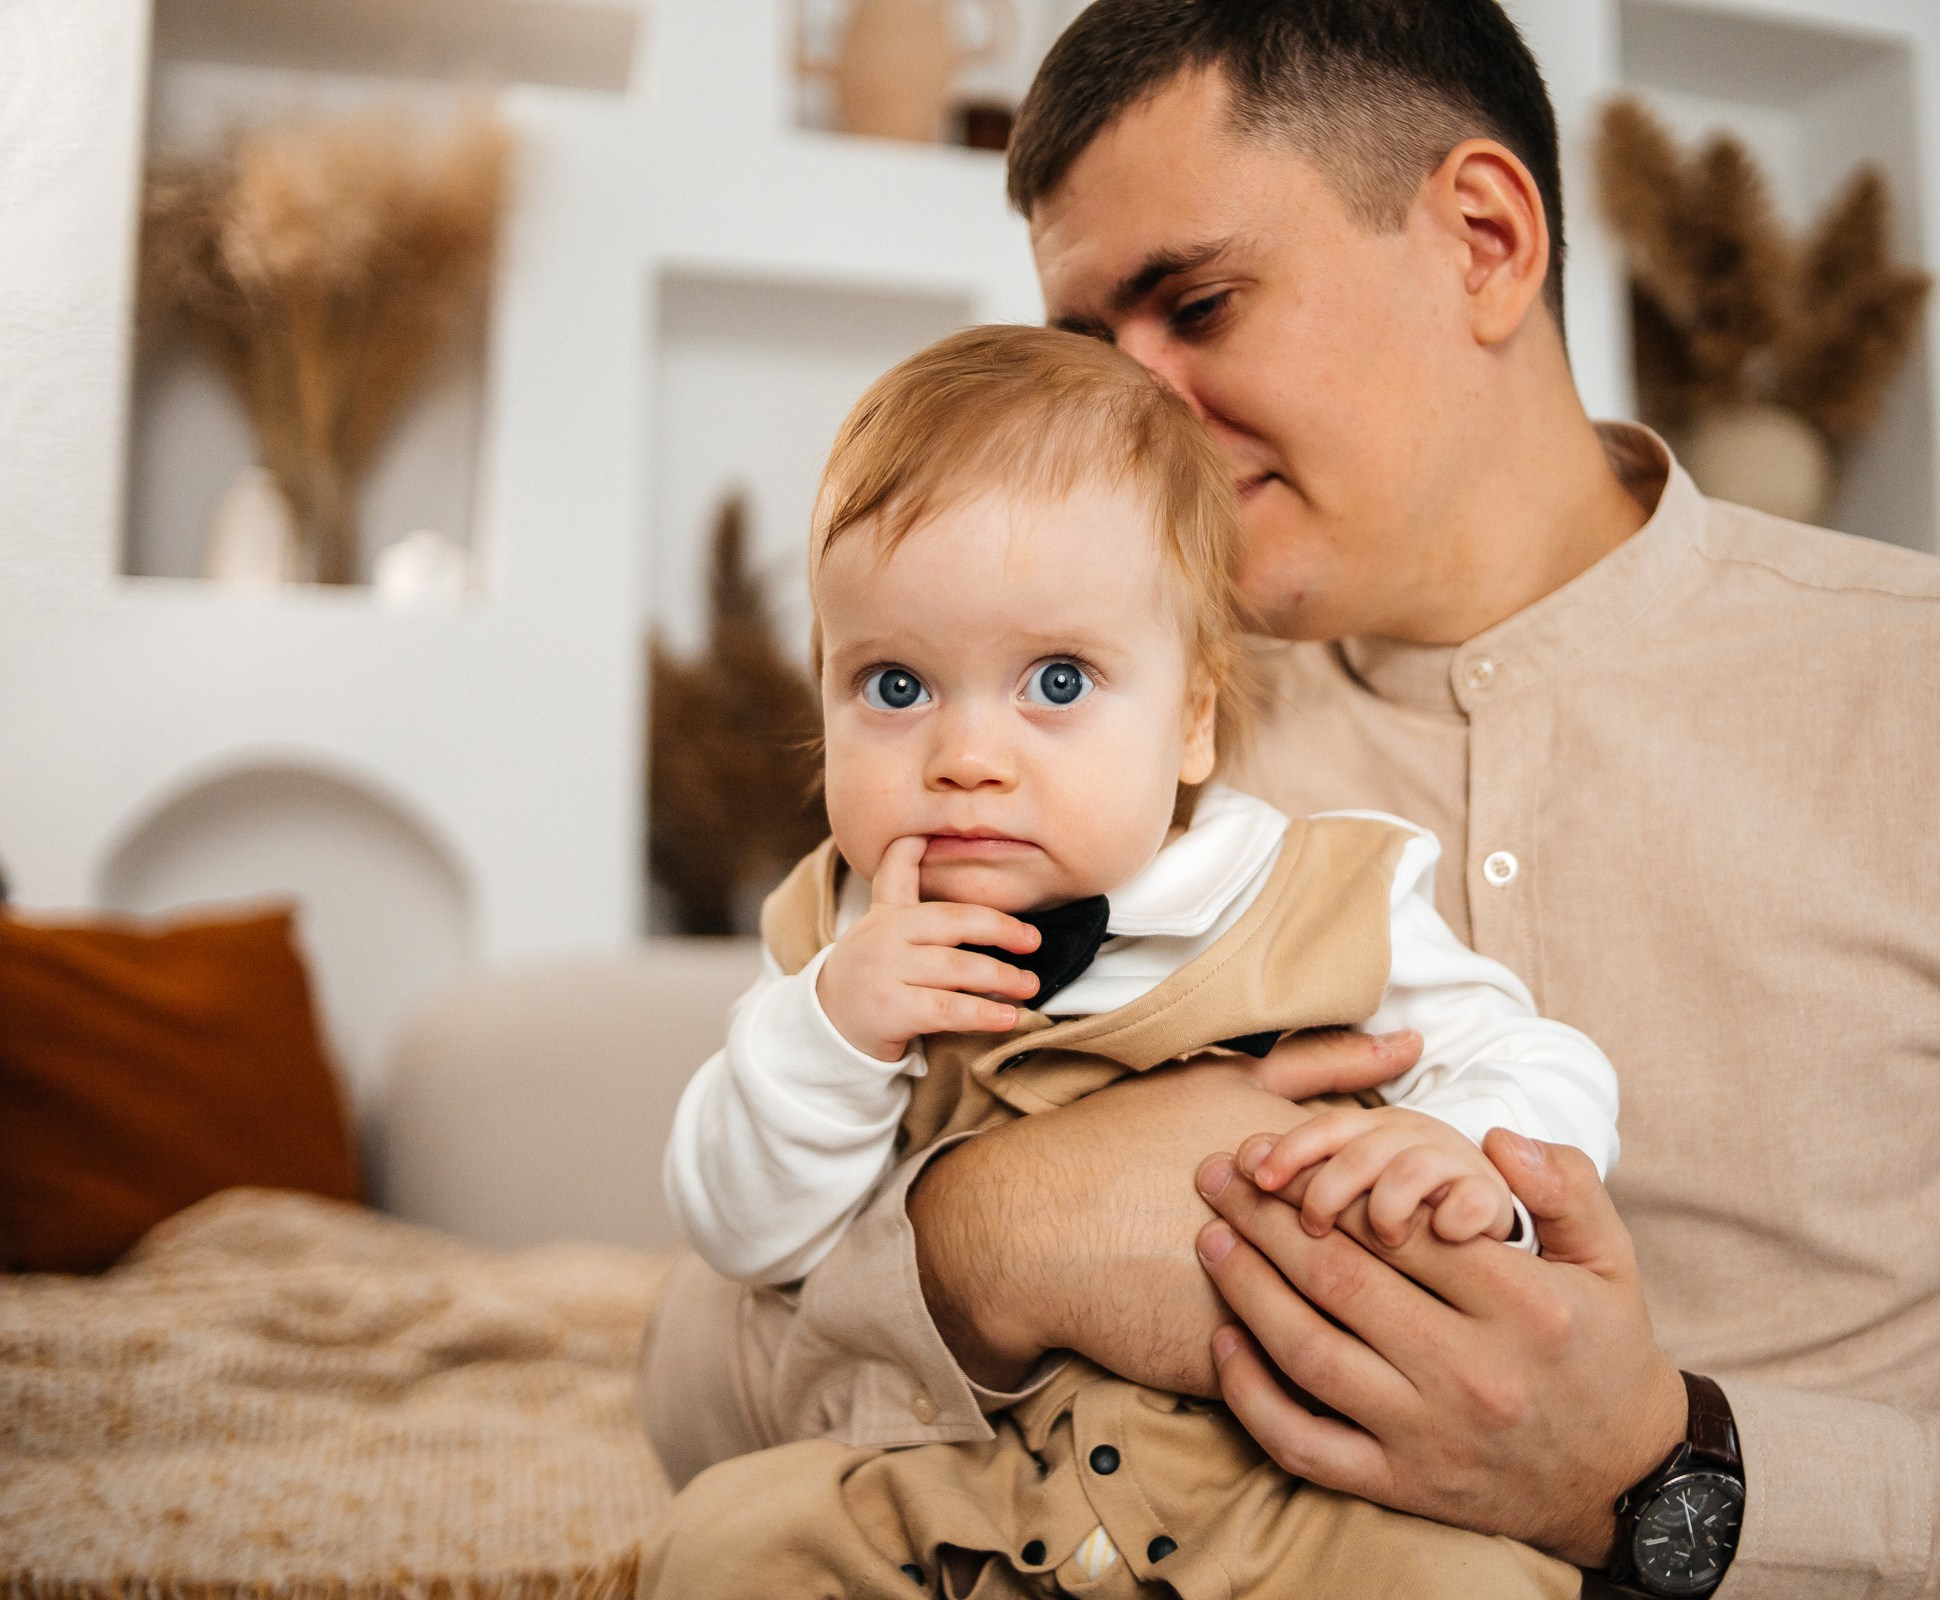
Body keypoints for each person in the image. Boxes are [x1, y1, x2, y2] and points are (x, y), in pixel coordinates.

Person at [640, 1, 1940, 1594]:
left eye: (1197, 304)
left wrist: (1668, 1479)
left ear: (1485, 240)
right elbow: (696, 1389)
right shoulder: (1076, 746)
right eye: (1085, 337)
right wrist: (998, 1236)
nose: (1129, 412)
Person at [644, 324, 1620, 1596]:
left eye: (1056, 678)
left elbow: (1536, 1056)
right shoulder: (836, 942)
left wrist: (1462, 1152)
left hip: (1284, 1494)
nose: (965, 755)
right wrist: (826, 1032)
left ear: (1193, 718)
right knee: (721, 1545)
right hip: (974, 1484)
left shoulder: (1317, 891)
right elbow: (744, 1233)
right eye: (894, 686)